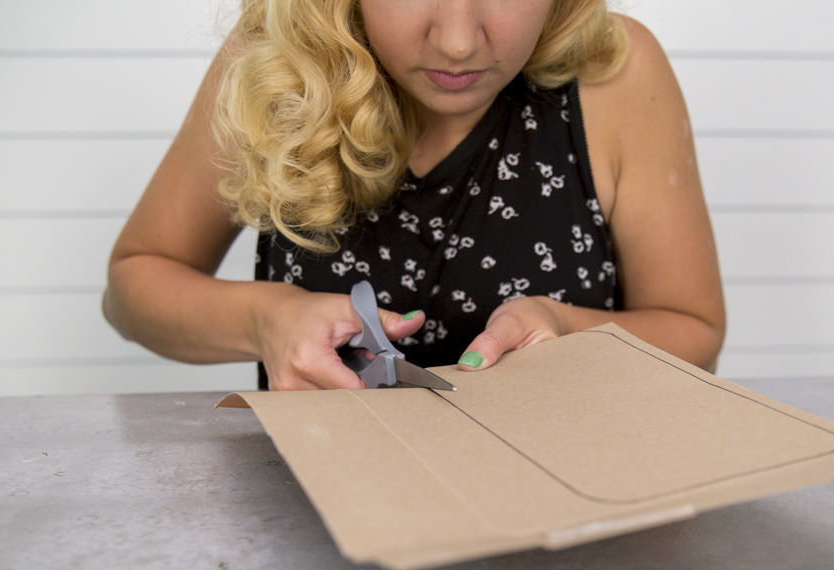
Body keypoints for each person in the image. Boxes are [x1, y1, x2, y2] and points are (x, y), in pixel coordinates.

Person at [103, 0, 725, 391]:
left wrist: (570, 333)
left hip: (571, 527)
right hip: (327, 531)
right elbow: (133, 288)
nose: (457, 40)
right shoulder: (273, 64)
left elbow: (694, 332)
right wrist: (266, 320)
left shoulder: (613, 72)